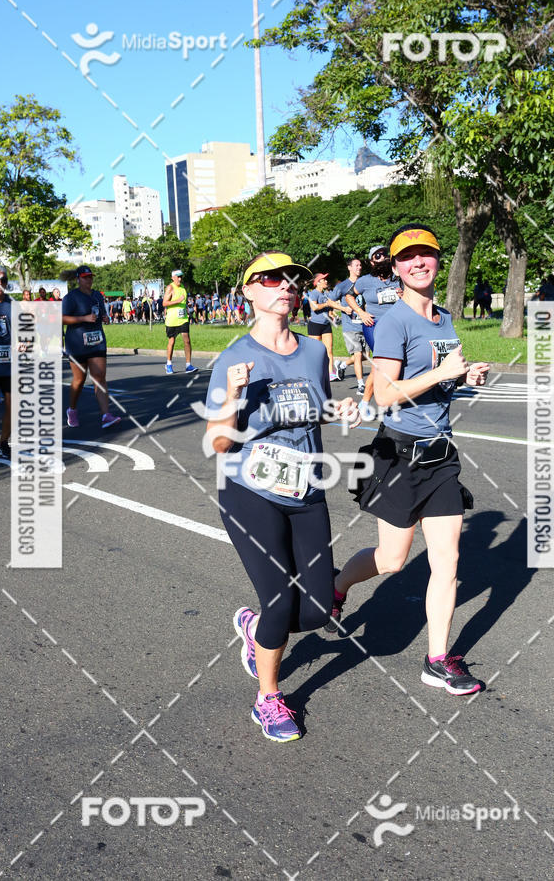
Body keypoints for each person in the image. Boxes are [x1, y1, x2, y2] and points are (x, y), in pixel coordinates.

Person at [206, 250, 360, 742]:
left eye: (292, 279)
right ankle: (269, 698)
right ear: (249, 291)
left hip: (305, 487)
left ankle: (253, 631)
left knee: (315, 613)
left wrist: (343, 410)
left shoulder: (315, 351)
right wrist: (232, 397)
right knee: (279, 602)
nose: (285, 286)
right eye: (270, 279)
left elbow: (317, 407)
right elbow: (217, 443)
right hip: (248, 489)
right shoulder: (232, 358)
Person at [329, 224, 490, 696]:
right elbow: (382, 395)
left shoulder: (444, 318)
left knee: (448, 560)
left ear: (438, 261)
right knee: (393, 559)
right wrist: (443, 371)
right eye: (408, 258)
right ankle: (337, 587)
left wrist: (463, 377)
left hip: (441, 456)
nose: (418, 263)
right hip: (399, 454)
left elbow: (438, 383)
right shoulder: (394, 321)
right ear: (396, 269)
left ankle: (437, 659)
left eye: (427, 255)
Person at [345, 244, 401, 420]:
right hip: (374, 325)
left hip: (397, 326)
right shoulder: (365, 281)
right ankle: (365, 402)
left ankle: (390, 401)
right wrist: (360, 312)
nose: (382, 257)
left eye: (385, 254)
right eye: (377, 256)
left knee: (396, 364)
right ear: (371, 262)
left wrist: (403, 295)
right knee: (382, 362)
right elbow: (349, 296)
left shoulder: (398, 278)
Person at [62, 265, 121, 429]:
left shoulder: (97, 295)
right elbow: (62, 319)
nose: (89, 279)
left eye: (91, 277)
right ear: (78, 279)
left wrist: (105, 318)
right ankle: (72, 410)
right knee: (79, 380)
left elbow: (101, 313)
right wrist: (83, 318)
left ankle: (106, 415)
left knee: (99, 376)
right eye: (85, 277)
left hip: (97, 341)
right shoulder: (71, 297)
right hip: (77, 344)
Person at [333, 256, 368, 394]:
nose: (359, 267)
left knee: (365, 355)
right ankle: (361, 385)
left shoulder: (363, 283)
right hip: (350, 326)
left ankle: (342, 365)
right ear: (349, 268)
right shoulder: (342, 286)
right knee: (358, 354)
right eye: (356, 265)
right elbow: (329, 300)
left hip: (364, 324)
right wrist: (343, 309)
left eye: (360, 265)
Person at [307, 272, 346, 381]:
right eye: (324, 280)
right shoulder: (314, 293)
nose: (326, 281)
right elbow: (314, 307)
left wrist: (332, 314)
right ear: (318, 282)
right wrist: (327, 304)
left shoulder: (325, 294)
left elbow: (329, 309)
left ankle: (330, 373)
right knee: (315, 351)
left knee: (329, 350)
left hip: (326, 325)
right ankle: (313, 372)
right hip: (315, 325)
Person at [163, 269, 197, 375]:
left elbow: (183, 302)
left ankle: (188, 365)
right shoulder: (170, 287)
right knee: (172, 342)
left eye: (181, 276)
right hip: (172, 320)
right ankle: (168, 364)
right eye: (178, 277)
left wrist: (188, 306)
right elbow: (164, 303)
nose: (180, 278)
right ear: (173, 277)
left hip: (183, 319)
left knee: (186, 340)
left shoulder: (182, 288)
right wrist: (177, 301)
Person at [0, 266, 12, 458]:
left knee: (12, 404)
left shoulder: (13, 306)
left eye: (3, 280)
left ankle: (3, 443)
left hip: (9, 365)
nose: (0, 283)